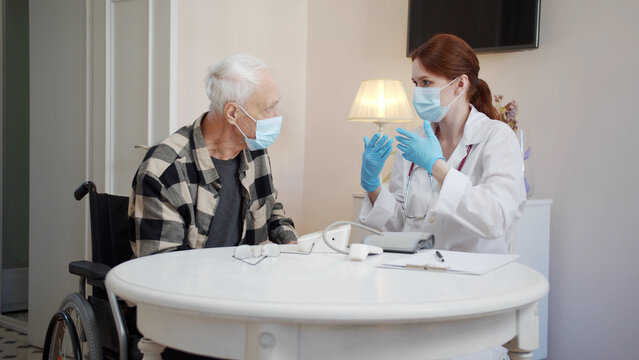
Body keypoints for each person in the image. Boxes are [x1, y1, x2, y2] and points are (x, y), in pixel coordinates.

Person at [358, 34, 526, 359]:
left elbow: (496, 218)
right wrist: (372, 184)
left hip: (475, 296)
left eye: (426, 82)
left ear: (460, 84)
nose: (418, 92)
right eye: (415, 83)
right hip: (414, 291)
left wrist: (438, 168)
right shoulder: (416, 139)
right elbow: (399, 226)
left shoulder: (496, 138)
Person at [129, 53, 297, 257]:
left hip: (248, 282)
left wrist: (291, 242)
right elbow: (161, 268)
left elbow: (269, 207)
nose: (277, 116)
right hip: (189, 287)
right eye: (269, 108)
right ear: (233, 113)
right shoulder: (164, 170)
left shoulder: (254, 148)